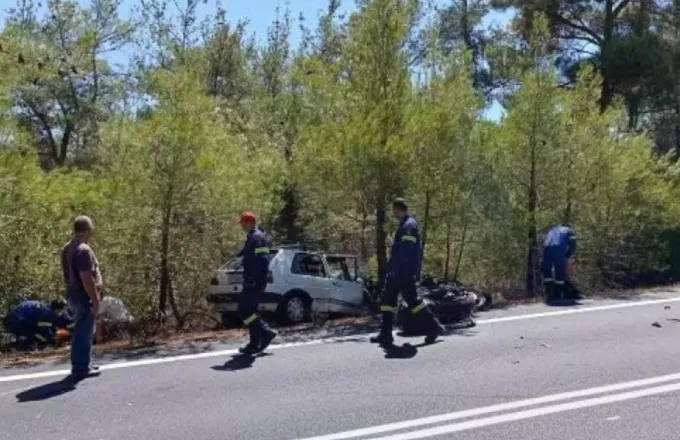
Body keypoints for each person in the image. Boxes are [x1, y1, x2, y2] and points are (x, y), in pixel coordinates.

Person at [370, 198, 446, 347]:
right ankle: (385, 335)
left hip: (403, 273)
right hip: (398, 272)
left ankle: (434, 327)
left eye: (394, 210)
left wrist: (396, 270)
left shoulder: (409, 226)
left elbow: (406, 252)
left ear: (399, 209)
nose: (394, 213)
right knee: (388, 301)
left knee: (413, 302)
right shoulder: (404, 224)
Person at [61, 215, 102, 380]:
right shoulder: (83, 250)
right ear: (89, 230)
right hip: (83, 297)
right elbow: (86, 277)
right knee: (83, 332)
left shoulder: (68, 247)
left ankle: (85, 363)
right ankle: (80, 368)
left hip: (72, 295)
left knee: (83, 330)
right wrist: (94, 299)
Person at [236, 211, 277, 355]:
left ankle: (265, 332)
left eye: (242, 223)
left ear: (249, 222)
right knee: (249, 311)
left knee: (244, 311)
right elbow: (251, 256)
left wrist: (253, 278)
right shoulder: (252, 238)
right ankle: (255, 343)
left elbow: (263, 260)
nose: (241, 226)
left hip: (255, 281)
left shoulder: (258, 237)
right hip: (252, 280)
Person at [6, 299, 73, 349]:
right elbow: (45, 331)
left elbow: (66, 319)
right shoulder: (46, 313)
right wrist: (54, 341)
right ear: (56, 309)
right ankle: (22, 345)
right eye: (61, 310)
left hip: (22, 317)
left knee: (45, 334)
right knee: (39, 337)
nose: (62, 312)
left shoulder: (50, 309)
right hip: (17, 321)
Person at [541, 224, 580, 302]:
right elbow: (573, 245)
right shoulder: (569, 231)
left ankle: (549, 295)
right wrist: (567, 255)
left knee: (547, 275)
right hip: (559, 250)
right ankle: (559, 294)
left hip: (547, 250)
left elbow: (546, 242)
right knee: (560, 273)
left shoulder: (552, 230)